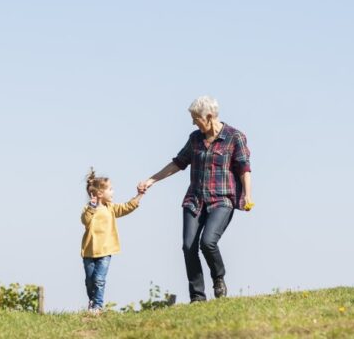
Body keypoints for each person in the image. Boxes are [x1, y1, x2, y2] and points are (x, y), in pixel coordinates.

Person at [140, 95, 253, 303]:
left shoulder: (234, 136)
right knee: (188, 246)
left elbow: (244, 168)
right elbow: (178, 163)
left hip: (222, 200)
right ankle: (197, 297)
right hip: (195, 200)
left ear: (208, 117)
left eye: (196, 118)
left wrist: (248, 195)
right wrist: (152, 179)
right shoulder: (195, 139)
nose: (193, 122)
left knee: (208, 242)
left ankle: (218, 278)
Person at [81, 168, 145, 313]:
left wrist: (139, 196)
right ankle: (92, 301)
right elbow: (85, 221)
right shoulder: (89, 209)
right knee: (90, 281)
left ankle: (97, 306)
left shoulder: (110, 208)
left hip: (105, 251)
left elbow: (126, 207)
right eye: (110, 189)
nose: (113, 192)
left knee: (99, 280)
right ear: (99, 193)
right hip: (89, 251)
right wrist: (91, 207)